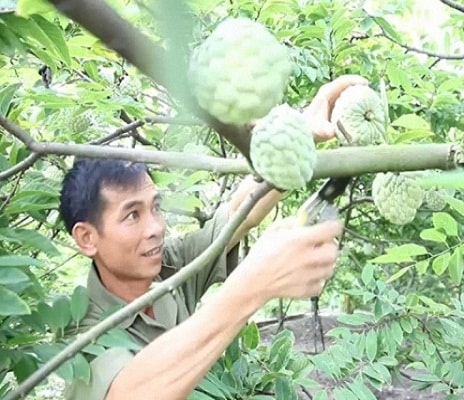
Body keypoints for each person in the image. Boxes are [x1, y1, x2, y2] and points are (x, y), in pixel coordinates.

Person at [59, 75, 368, 400]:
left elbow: (239, 213)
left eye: (156, 207)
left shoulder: (167, 267)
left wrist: (298, 138)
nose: (155, 227)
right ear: (87, 238)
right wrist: (254, 284)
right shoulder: (81, 328)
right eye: (132, 215)